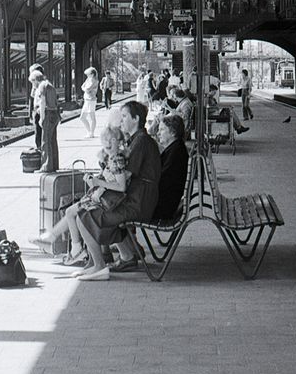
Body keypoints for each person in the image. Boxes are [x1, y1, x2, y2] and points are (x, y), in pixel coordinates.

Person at [74, 101, 161, 281]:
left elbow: (123, 179)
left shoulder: (140, 142)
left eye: (124, 117)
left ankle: (99, 266)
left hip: (138, 203)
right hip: (139, 198)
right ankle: (100, 263)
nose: (121, 121)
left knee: (84, 215)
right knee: (89, 210)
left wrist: (99, 182)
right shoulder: (138, 139)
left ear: (136, 119)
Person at [33, 125, 130, 265]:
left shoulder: (118, 159)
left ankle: (73, 247)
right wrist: (94, 181)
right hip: (103, 198)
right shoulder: (112, 158)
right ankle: (60, 241)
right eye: (105, 141)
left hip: (108, 202)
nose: (107, 144)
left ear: (117, 141)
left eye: (111, 140)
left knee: (72, 212)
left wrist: (98, 182)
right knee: (70, 211)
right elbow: (109, 179)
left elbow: (121, 187)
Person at [150, 114, 189, 223]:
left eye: (162, 130)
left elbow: (161, 181)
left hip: (163, 209)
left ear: (172, 132)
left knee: (120, 211)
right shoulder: (176, 148)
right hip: (166, 204)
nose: (158, 133)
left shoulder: (176, 153)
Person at [30, 70, 60, 172]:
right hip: (54, 114)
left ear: (35, 80)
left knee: (45, 141)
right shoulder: (50, 84)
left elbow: (42, 102)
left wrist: (41, 118)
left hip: (47, 114)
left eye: (32, 82)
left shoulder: (42, 86)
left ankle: (46, 166)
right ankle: (54, 165)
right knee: (52, 141)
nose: (33, 85)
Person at [79, 67, 99, 138]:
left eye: (88, 74)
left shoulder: (94, 81)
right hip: (86, 100)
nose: (87, 76)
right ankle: (89, 131)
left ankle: (92, 133)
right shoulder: (88, 79)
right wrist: (85, 89)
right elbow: (83, 87)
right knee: (82, 117)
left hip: (91, 100)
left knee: (92, 117)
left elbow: (87, 89)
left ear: (92, 74)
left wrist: (85, 89)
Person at [28, 64, 44, 149]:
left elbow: (32, 98)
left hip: (39, 111)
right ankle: (40, 147)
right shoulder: (37, 84)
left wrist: (31, 112)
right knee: (39, 131)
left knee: (38, 131)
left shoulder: (40, 85)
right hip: (38, 110)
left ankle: (39, 147)